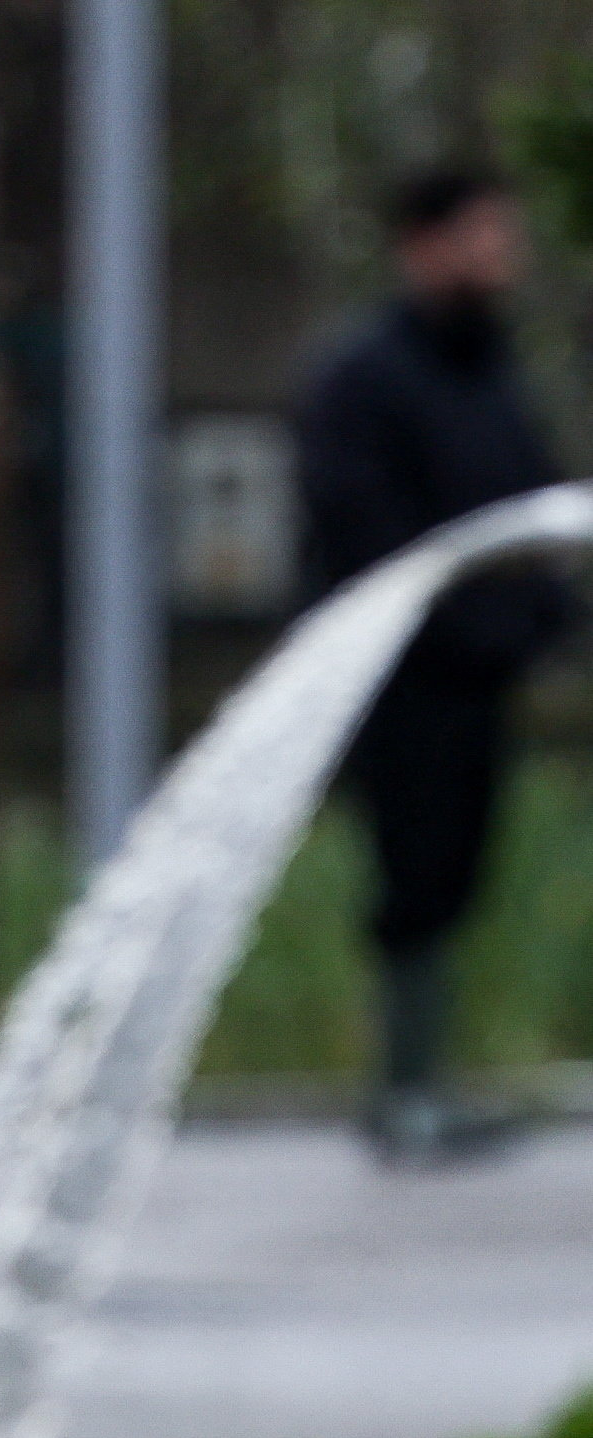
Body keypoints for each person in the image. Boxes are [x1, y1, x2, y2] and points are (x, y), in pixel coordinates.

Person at [294, 160, 577, 1165]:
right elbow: (367, 530)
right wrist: (464, 623)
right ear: (423, 244)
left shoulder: (489, 372)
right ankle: (402, 1091)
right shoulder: (365, 378)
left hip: (480, 679)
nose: (498, 257)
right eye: (479, 237)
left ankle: (428, 1083)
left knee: (458, 870)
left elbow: (530, 507)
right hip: (403, 682)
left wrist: (543, 614)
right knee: (412, 873)